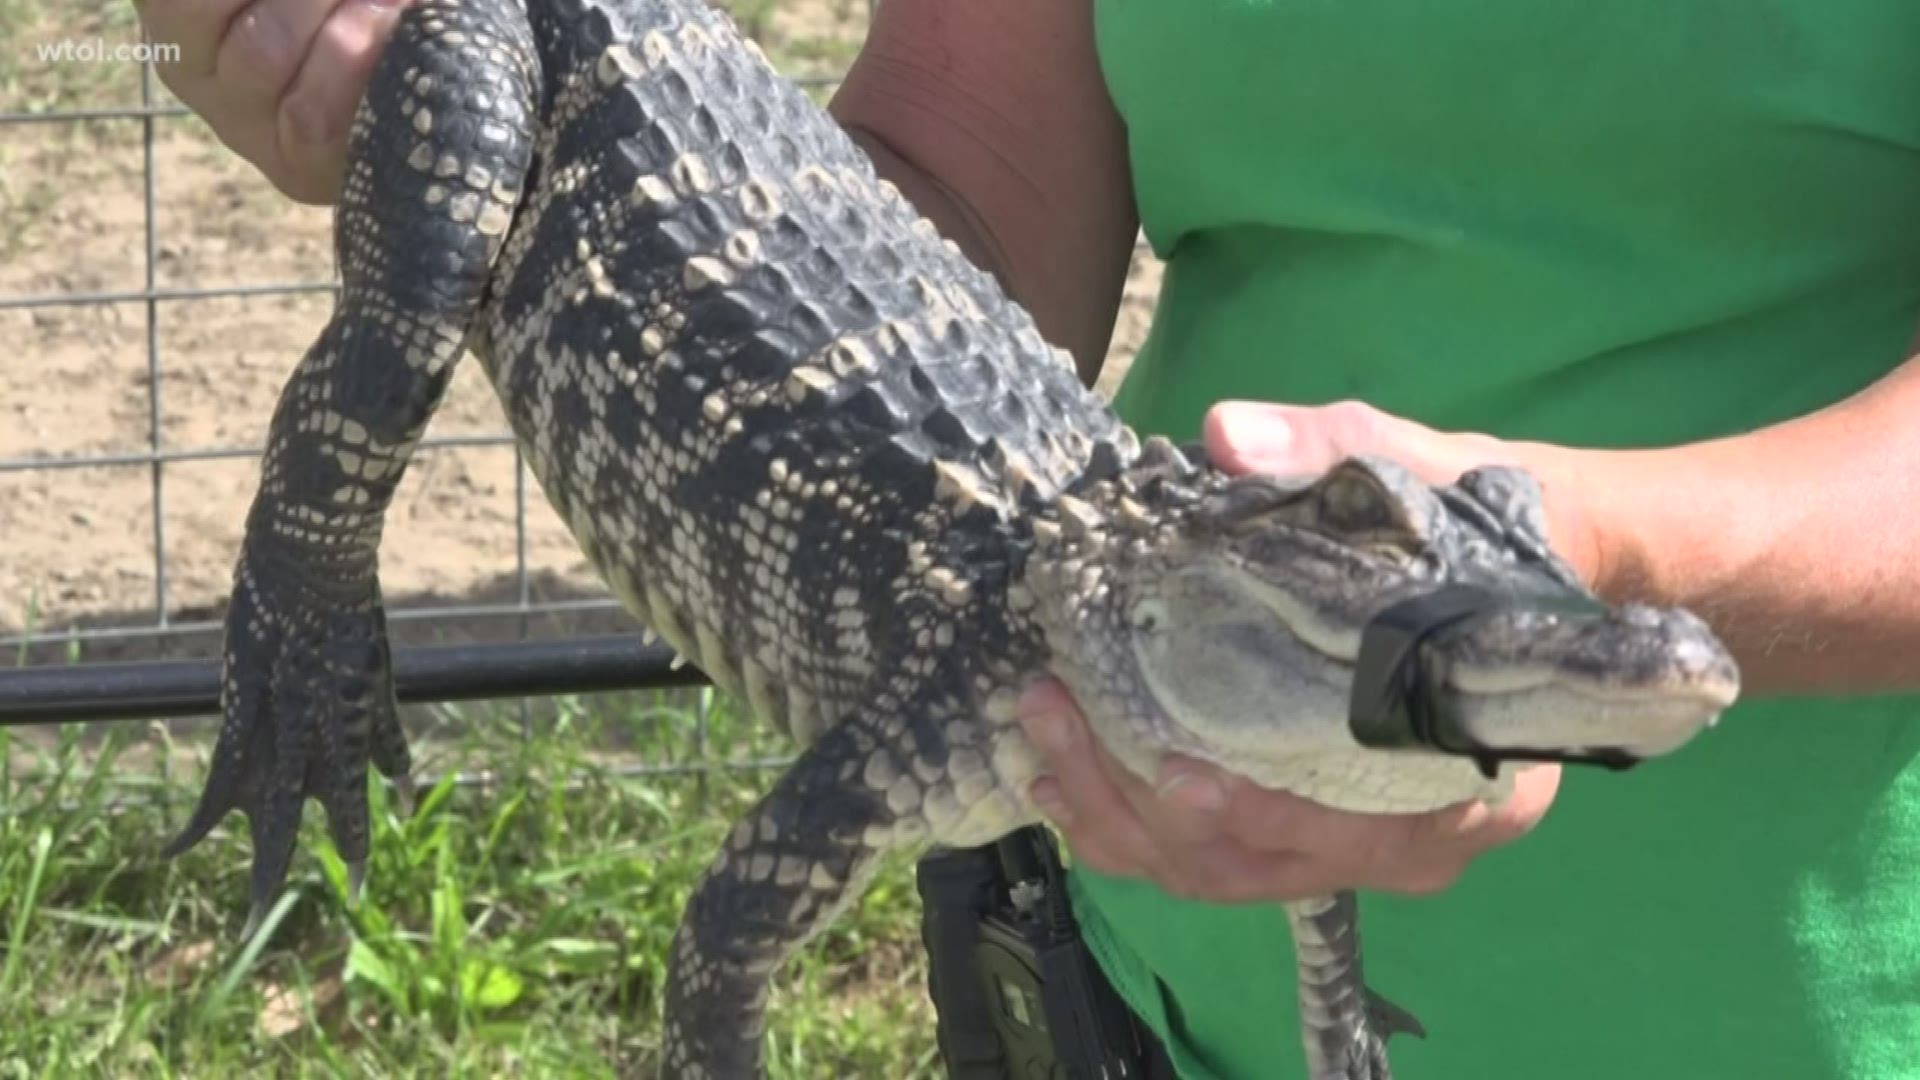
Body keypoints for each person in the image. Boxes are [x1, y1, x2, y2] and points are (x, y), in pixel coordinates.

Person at [133, 1, 1920, 1077]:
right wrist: (447, 146)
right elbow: (957, 185)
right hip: (1144, 981)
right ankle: (296, 596)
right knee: (412, 295)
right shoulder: (1168, 658)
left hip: (1818, 1010)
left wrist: (1591, 550)